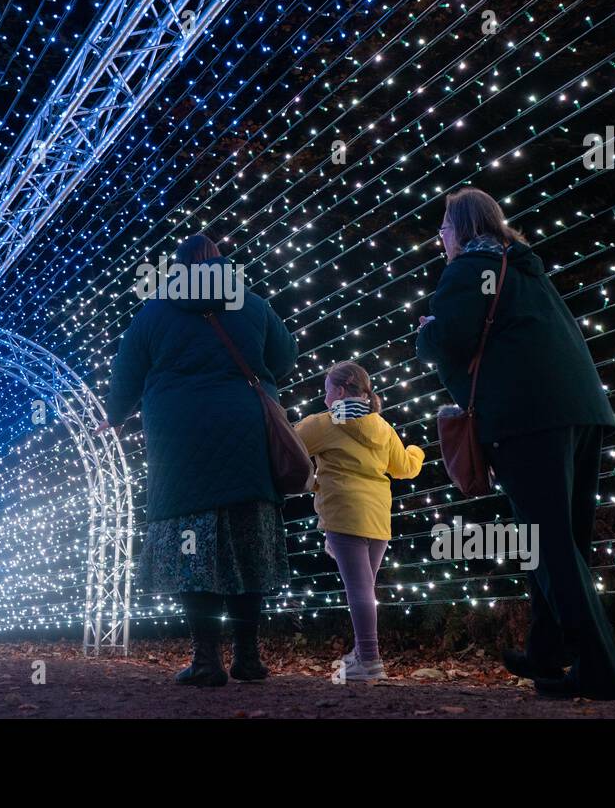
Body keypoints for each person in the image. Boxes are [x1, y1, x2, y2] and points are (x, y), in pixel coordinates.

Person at [415, 187, 615, 701]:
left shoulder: (468, 269)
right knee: (565, 538)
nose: (439, 238)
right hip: (581, 412)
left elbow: (451, 340)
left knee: (548, 543)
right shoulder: (526, 268)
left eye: (444, 227)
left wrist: (427, 332)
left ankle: (600, 671)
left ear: (462, 228)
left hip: (527, 418)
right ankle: (547, 654)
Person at [100, 234, 298, 686]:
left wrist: (113, 416)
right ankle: (248, 658)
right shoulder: (251, 303)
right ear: (220, 263)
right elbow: (285, 359)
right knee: (250, 551)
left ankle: (206, 660)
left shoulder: (155, 309)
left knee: (192, 553)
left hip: (179, 444)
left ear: (178, 267)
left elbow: (127, 372)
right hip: (247, 436)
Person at [296, 361, 424, 680]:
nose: (325, 399)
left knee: (358, 589)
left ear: (339, 391)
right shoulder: (382, 426)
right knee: (366, 587)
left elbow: (287, 451)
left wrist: (312, 482)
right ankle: (362, 655)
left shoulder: (322, 423)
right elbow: (404, 468)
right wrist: (417, 452)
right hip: (378, 516)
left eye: (327, 392)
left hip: (344, 511)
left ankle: (368, 660)